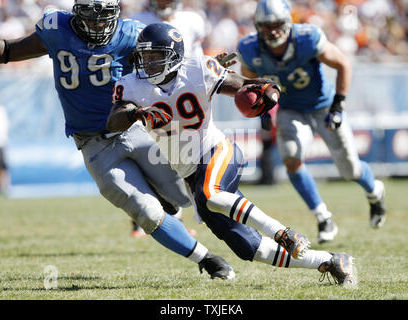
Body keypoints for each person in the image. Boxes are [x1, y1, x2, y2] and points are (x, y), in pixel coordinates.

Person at [0, 0, 236, 280]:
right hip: (93, 143)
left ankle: (208, 216)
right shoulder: (56, 28)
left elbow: (166, 69)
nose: (99, 25)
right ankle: (206, 259)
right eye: (92, 18)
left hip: (135, 128)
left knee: (185, 195)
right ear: (77, 13)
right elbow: (9, 50)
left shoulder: (132, 34)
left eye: (104, 17)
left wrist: (199, 72)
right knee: (145, 212)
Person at [106, 22, 358, 286]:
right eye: (145, 56)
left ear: (175, 56)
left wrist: (265, 90)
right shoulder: (131, 85)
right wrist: (135, 113)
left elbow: (245, 86)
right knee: (249, 248)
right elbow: (113, 121)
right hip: (190, 174)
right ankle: (330, 260)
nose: (148, 63)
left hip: (216, 150)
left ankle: (283, 232)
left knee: (211, 193)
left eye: (156, 56)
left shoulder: (198, 69)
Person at [237, 0, 386, 243]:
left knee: (350, 169)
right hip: (291, 108)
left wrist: (338, 103)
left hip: (323, 105)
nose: (272, 30)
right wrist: (263, 112)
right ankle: (323, 217)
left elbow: (343, 64)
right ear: (257, 26)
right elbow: (252, 84)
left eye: (276, 24)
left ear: (287, 23)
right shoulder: (250, 48)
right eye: (266, 25)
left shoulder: (307, 38)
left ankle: (374, 191)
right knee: (291, 158)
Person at [129, 0, 207, 237]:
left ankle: (194, 210)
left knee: (187, 157)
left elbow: (197, 56)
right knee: (149, 158)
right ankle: (147, 216)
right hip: (150, 95)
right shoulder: (137, 21)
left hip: (184, 95)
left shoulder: (193, 19)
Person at [0, 98, 10, 195]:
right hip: (0, 143)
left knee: (1, 167)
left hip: (0, 143)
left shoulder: (0, 111)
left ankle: (3, 187)